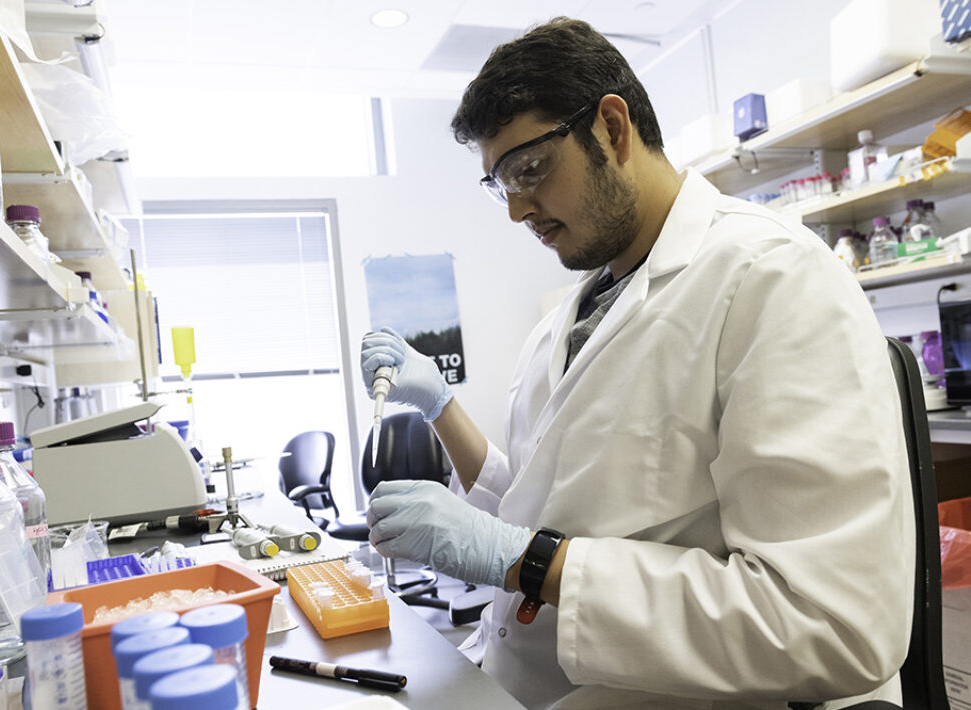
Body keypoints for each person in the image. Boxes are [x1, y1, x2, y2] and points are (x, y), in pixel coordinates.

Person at [361, 17, 914, 710]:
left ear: (613, 129)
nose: (516, 210)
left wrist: (524, 561)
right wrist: (440, 406)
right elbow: (533, 502)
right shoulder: (568, 314)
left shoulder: (773, 280)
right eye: (498, 185)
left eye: (527, 170)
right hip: (531, 680)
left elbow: (832, 624)